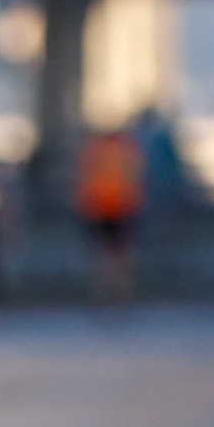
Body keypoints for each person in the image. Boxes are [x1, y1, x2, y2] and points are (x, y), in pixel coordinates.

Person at [74, 123, 145, 300]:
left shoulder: (95, 150)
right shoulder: (125, 149)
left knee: (105, 253)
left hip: (104, 208)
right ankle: (117, 291)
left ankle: (108, 290)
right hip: (119, 207)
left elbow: (84, 178)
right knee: (119, 253)